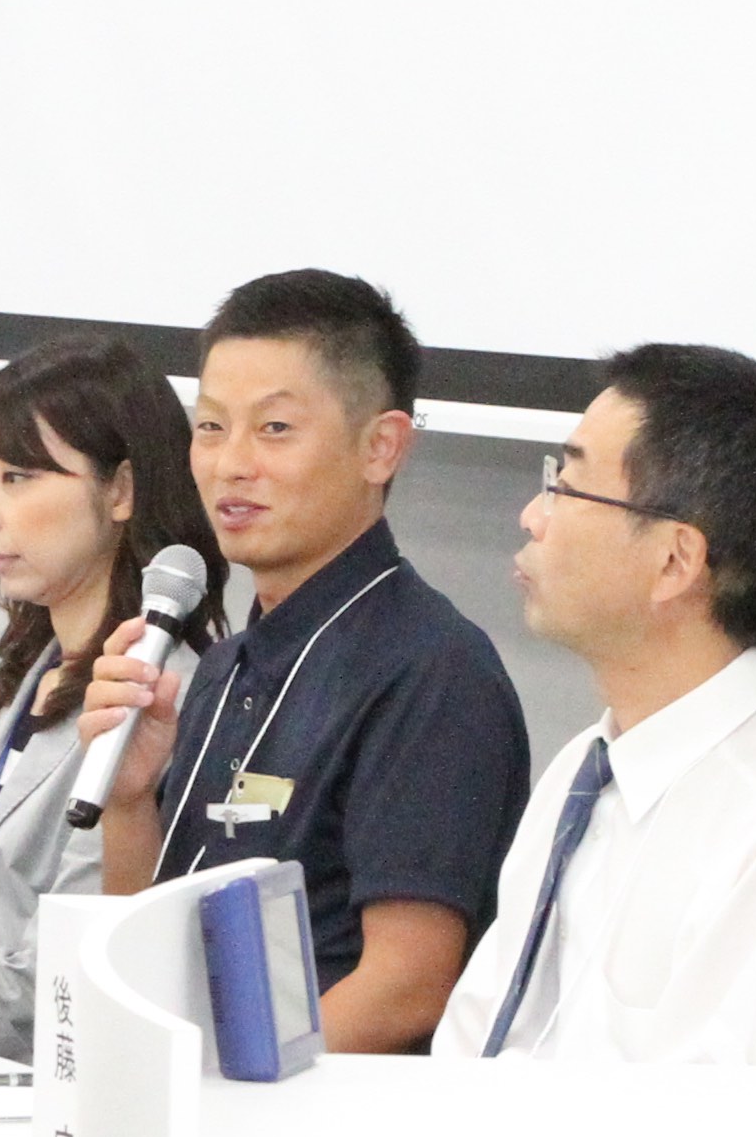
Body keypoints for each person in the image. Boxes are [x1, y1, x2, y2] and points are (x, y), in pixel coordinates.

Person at [77, 270, 532, 1052]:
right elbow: (142, 940)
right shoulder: (222, 667)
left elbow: (409, 987)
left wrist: (222, 1083)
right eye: (211, 427)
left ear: (381, 447)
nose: (230, 464)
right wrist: (128, 801)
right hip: (198, 1090)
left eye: (275, 428)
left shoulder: (432, 672)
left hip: (313, 1114)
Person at [440, 343, 756, 1064]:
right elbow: (474, 1040)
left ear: (674, 561)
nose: (532, 516)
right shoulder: (585, 767)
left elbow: (699, 1117)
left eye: (567, 486)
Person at [0, 337, 224, 1057]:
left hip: (12, 1076)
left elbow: (60, 965)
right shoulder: (33, 672)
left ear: (121, 489)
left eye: (18, 477)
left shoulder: (158, 692)